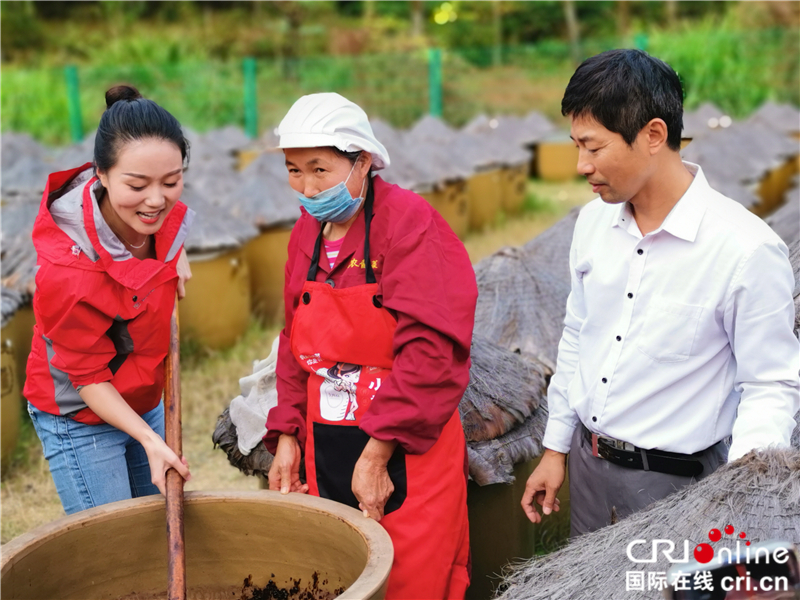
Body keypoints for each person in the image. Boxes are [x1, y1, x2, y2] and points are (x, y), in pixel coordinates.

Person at [521, 49, 800, 536]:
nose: (582, 165)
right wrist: (555, 448)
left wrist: (735, 500)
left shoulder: (746, 249)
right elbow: (578, 334)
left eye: (594, 146)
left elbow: (770, 385)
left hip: (681, 489)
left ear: (653, 135)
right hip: (590, 473)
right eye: (576, 146)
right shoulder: (591, 223)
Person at [265, 93, 477, 600]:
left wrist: (379, 453)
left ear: (362, 161)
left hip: (407, 447)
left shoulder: (409, 224)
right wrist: (289, 433)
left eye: (321, 169)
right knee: (340, 573)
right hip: (327, 443)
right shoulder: (306, 235)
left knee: (413, 580)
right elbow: (294, 340)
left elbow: (432, 350)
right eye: (295, 171)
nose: (308, 186)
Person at [24, 85, 194, 515]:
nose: (157, 199)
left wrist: (176, 251)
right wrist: (152, 440)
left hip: (141, 393)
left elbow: (161, 213)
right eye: (137, 185)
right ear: (99, 174)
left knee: (159, 527)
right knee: (115, 549)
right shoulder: (67, 272)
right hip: (81, 412)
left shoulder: (153, 212)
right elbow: (87, 379)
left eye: (172, 181)